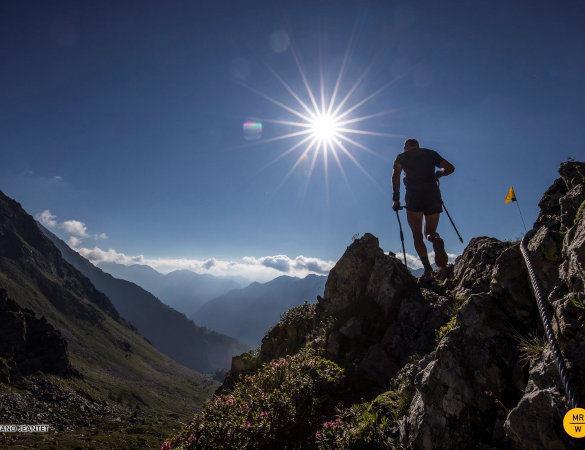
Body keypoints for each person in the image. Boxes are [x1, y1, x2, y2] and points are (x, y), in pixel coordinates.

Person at [391, 138, 455, 280]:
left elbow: (396, 175)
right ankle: (435, 239)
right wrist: (439, 174)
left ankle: (427, 270)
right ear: (417, 146)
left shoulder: (402, 157)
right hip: (433, 195)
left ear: (406, 147)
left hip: (414, 198)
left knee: (417, 236)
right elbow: (450, 168)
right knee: (430, 232)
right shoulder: (430, 154)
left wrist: (396, 198)